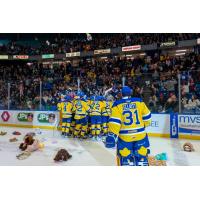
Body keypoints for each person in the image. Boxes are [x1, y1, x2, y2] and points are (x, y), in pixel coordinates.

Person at [104, 86, 152, 166]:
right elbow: (148, 117)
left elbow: (114, 122)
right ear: (130, 93)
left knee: (125, 154)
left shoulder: (117, 105)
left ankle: (127, 161)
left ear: (121, 94)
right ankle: (142, 160)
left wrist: (112, 135)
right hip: (140, 134)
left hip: (125, 136)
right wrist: (143, 125)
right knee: (141, 152)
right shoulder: (139, 102)